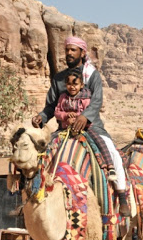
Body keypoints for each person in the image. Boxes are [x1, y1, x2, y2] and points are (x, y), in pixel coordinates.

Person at [32, 36, 129, 215]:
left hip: (91, 126)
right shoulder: (59, 78)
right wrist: (41, 117)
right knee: (41, 154)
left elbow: (97, 100)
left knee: (112, 152)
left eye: (73, 50)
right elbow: (52, 106)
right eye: (67, 49)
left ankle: (122, 195)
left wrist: (84, 117)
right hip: (64, 128)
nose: (69, 53)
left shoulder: (92, 75)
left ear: (82, 53)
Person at [54, 68, 118, 181]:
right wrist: (66, 116)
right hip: (66, 129)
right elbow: (57, 112)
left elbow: (88, 112)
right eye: (69, 84)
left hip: (85, 129)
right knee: (49, 142)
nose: (72, 87)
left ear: (82, 85)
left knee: (99, 141)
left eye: (75, 84)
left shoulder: (85, 98)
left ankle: (110, 166)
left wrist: (78, 118)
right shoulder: (63, 97)